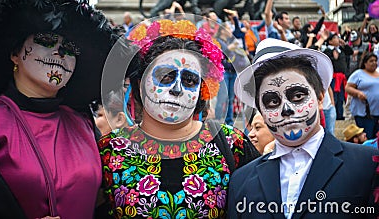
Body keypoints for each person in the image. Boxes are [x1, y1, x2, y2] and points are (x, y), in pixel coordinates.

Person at [98, 17, 260, 218]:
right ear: (140, 83)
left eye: (189, 80)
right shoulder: (109, 150)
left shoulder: (232, 144)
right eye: (165, 76)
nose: (176, 89)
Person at [0, 0, 120, 218]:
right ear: (15, 53)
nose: (59, 53)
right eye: (46, 41)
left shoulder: (82, 123)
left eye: (69, 49)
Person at [228, 38, 378, 218]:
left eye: (298, 96)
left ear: (320, 97)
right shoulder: (241, 181)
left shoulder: (367, 165)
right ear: (262, 111)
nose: (286, 109)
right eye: (272, 102)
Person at [345, 53, 379, 140]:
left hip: (377, 112)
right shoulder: (358, 74)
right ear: (365, 63)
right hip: (364, 113)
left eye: (375, 61)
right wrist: (358, 93)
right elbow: (348, 88)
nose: (374, 63)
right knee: (367, 136)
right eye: (371, 61)